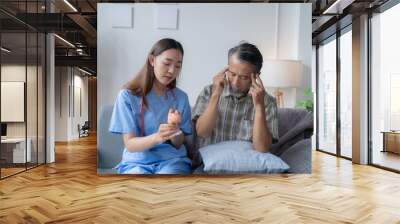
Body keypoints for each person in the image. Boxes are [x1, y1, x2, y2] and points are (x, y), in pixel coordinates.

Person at [109, 38, 192, 174]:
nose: (172, 71)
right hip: (136, 162)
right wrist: (158, 137)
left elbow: (179, 143)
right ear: (152, 60)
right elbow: (130, 144)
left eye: (178, 66)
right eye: (167, 63)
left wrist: (175, 132)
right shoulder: (127, 96)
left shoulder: (181, 98)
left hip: (172, 160)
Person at [192, 42, 279, 155]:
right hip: (209, 165)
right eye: (232, 74)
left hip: (248, 167)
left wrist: (259, 107)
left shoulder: (268, 102)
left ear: (257, 76)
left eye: (244, 77)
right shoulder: (209, 91)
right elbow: (202, 133)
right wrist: (216, 95)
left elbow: (262, 148)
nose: (235, 83)